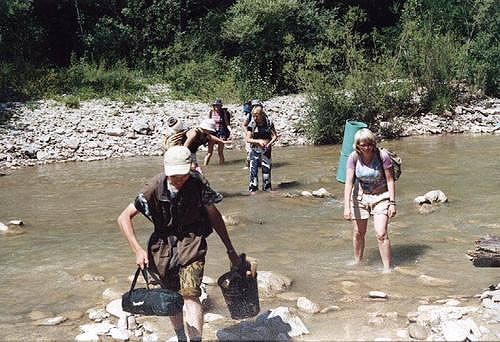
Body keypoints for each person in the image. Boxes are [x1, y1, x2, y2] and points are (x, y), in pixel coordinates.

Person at [117, 146, 241, 342]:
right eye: (174, 175)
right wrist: (137, 250)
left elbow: (214, 215)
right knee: (171, 297)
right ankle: (181, 337)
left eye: (183, 174)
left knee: (191, 293)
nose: (179, 179)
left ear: (190, 167)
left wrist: (230, 249)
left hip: (192, 243)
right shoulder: (153, 188)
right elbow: (123, 218)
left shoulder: (198, 183)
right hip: (162, 249)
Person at [343, 128, 396, 272]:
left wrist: (392, 203)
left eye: (369, 144)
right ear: (357, 145)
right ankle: (358, 263)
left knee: (381, 233)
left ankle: (387, 268)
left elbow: (390, 181)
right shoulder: (353, 158)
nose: (367, 147)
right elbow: (348, 182)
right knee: (358, 233)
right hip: (360, 197)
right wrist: (346, 207)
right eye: (363, 145)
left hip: (381, 197)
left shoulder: (382, 156)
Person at [245, 104, 278, 192]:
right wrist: (258, 141)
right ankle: (253, 191)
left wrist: (269, 143)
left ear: (261, 114)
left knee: (266, 173)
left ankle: (267, 190)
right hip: (254, 150)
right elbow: (247, 139)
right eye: (253, 116)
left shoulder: (268, 122)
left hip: (266, 150)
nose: (255, 118)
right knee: (253, 173)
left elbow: (275, 136)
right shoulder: (252, 124)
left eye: (256, 116)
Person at [205, 99, 231, 165]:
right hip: (212, 133)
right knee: (209, 153)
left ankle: (222, 167)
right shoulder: (211, 112)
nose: (217, 106)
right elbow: (208, 123)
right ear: (213, 106)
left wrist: (231, 131)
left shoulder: (223, 113)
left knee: (220, 152)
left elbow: (227, 123)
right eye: (215, 105)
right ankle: (205, 166)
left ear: (220, 106)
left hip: (221, 133)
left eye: (218, 105)